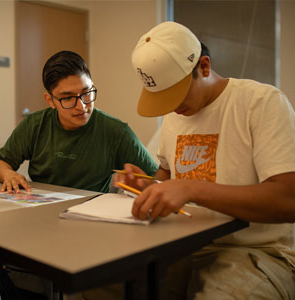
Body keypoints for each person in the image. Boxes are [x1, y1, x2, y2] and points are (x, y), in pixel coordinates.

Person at [116, 21, 295, 299]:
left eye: (176, 94)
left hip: (257, 250)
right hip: (183, 244)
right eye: (163, 99)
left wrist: (191, 187)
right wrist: (147, 186)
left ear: (204, 67)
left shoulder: (261, 102)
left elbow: (288, 200)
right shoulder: (174, 116)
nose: (173, 107)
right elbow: (166, 177)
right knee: (108, 286)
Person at [0, 50, 158, 299]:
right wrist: (9, 174)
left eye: (87, 93)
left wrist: (141, 183)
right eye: (67, 98)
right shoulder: (34, 125)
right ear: (50, 99)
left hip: (87, 227)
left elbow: (156, 179)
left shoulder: (116, 132)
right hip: (36, 221)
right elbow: (1, 162)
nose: (81, 106)